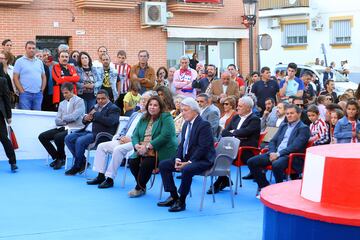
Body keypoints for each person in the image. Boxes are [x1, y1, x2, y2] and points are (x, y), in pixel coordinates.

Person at [86, 91, 155, 188]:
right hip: (123, 140)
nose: (143, 102)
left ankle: (110, 179)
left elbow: (147, 135)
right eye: (142, 100)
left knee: (118, 150)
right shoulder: (135, 114)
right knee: (102, 146)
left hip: (135, 143)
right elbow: (125, 128)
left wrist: (131, 140)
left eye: (146, 100)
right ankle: (100, 175)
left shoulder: (151, 117)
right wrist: (121, 137)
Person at [158, 97, 215, 212]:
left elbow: (203, 148)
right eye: (182, 110)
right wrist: (178, 158)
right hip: (187, 157)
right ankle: (174, 197)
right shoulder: (186, 125)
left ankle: (182, 201)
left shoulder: (204, 125)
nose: (182, 113)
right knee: (164, 165)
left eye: (185, 110)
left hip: (203, 160)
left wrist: (188, 162)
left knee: (187, 169)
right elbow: (182, 145)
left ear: (194, 110)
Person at [247, 104, 310, 192]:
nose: (289, 115)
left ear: (299, 114)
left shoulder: (303, 128)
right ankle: (264, 186)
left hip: (290, 156)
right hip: (275, 153)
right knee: (252, 162)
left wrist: (278, 154)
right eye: (287, 114)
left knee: (276, 164)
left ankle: (279, 190)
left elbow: (295, 146)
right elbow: (273, 141)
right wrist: (272, 152)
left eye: (292, 113)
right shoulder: (284, 125)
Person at [208, 96, 261, 193]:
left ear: (248, 108)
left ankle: (220, 182)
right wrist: (235, 133)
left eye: (240, 106)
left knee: (223, 156)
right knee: (215, 154)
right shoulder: (236, 117)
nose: (237, 108)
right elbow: (224, 132)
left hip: (246, 150)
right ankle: (223, 180)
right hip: (232, 147)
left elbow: (245, 132)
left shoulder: (255, 120)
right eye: (238, 106)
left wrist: (234, 133)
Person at [128, 95, 177, 197]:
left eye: (155, 105)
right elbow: (135, 134)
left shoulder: (166, 117)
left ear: (160, 107)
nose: (152, 107)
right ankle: (142, 186)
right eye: (150, 104)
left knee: (147, 163)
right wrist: (137, 145)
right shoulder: (144, 117)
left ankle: (138, 188)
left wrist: (148, 147)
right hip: (142, 147)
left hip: (161, 149)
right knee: (132, 161)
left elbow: (165, 136)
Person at [64, 90, 120, 175]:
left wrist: (96, 114)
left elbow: (110, 122)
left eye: (103, 98)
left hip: (100, 134)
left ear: (108, 98)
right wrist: (85, 119)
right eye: (98, 99)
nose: (100, 101)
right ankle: (82, 161)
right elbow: (85, 122)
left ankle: (77, 166)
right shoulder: (95, 107)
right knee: (68, 138)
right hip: (86, 131)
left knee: (80, 140)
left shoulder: (114, 108)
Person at [38, 83, 85, 170]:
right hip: (63, 127)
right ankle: (58, 158)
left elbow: (74, 117)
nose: (64, 95)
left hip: (75, 128)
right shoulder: (62, 103)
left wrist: (63, 118)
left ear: (72, 91)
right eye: (63, 93)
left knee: (58, 137)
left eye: (66, 93)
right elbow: (57, 120)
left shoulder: (79, 101)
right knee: (42, 136)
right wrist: (65, 120)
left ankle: (61, 159)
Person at [13, 41, 46, 110]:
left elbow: (43, 77)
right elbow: (15, 78)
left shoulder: (39, 62)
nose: (31, 50)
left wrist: (42, 90)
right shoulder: (19, 61)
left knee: (37, 116)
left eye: (33, 48)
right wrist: (21, 91)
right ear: (25, 49)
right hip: (25, 94)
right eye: (29, 48)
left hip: (38, 94)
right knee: (26, 117)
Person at [0, 67, 17, 172]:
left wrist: (9, 116)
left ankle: (13, 162)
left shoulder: (2, 81)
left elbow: (7, 99)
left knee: (4, 138)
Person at [114, 50, 131, 115]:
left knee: (124, 110)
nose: (121, 59)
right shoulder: (113, 66)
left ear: (125, 58)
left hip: (125, 92)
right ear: (117, 57)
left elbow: (130, 79)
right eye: (119, 57)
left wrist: (129, 90)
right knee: (116, 109)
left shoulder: (128, 67)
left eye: (123, 58)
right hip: (115, 92)